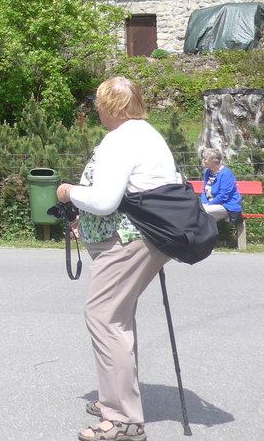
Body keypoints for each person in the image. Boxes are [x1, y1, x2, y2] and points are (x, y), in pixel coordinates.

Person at [56, 76, 181, 441]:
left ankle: (123, 418)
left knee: (104, 317)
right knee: (119, 318)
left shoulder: (120, 140)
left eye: (98, 105)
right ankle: (117, 397)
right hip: (149, 237)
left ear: (108, 107)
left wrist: (68, 192)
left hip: (125, 241)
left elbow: (105, 201)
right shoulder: (149, 135)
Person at [199, 147, 242, 221]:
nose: (203, 161)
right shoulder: (207, 172)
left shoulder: (226, 174)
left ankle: (208, 232)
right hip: (209, 205)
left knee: (202, 212)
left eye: (205, 159)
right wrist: (204, 203)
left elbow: (223, 196)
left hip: (226, 206)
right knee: (195, 210)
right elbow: (204, 191)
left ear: (212, 162)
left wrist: (209, 204)